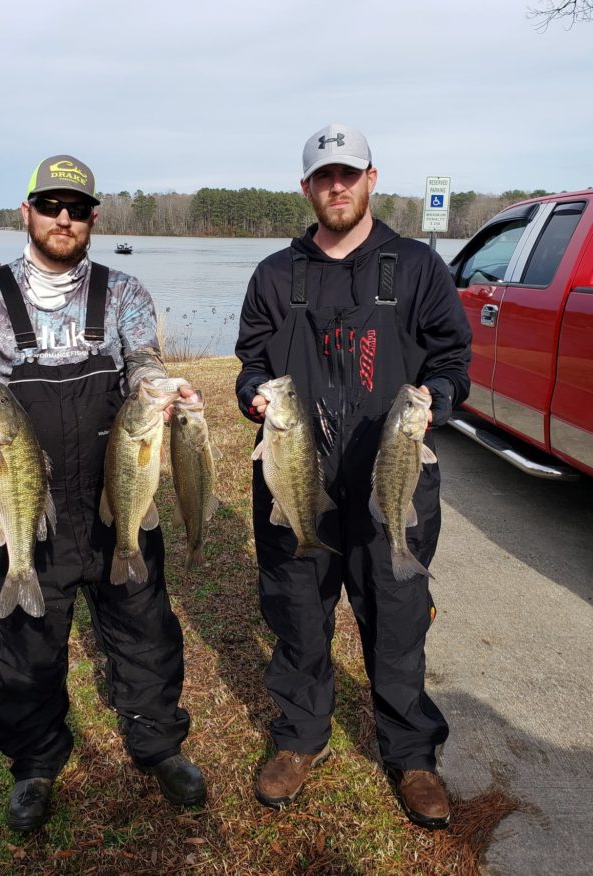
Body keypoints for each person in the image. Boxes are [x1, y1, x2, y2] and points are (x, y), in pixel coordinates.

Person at [0, 154, 205, 832]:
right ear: (26, 212)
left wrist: (157, 386)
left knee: (143, 621)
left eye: (77, 208)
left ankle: (158, 744)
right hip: (26, 494)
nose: (64, 218)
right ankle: (33, 763)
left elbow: (143, 356)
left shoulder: (123, 292)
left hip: (114, 482)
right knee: (23, 635)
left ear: (93, 218)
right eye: (51, 206)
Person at [235, 124, 471, 829]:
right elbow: (248, 358)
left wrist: (440, 399)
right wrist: (249, 390)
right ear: (306, 189)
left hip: (389, 470)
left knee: (397, 617)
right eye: (322, 177)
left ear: (372, 178)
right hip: (300, 471)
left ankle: (411, 753)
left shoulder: (420, 268)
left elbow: (452, 360)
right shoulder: (277, 274)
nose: (336, 187)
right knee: (298, 614)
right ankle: (301, 736)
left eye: (348, 174)